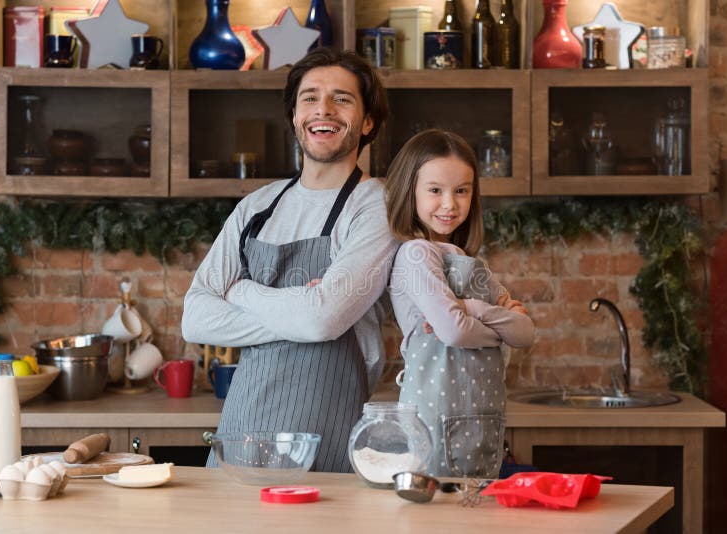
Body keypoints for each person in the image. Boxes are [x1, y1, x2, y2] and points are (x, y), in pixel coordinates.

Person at [181, 48, 394, 473]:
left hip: (325, 432)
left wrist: (242, 291)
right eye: (310, 97)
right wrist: (301, 311)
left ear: (367, 122)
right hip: (240, 429)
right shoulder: (257, 206)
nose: (324, 109)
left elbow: (323, 321)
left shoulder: (377, 205)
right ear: (295, 115)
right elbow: (195, 319)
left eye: (342, 98)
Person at [385, 129, 534, 478]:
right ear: (411, 191)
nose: (450, 204)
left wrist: (471, 309)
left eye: (461, 191)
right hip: (432, 424)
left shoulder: (470, 262)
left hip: (482, 416)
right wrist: (498, 325)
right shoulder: (416, 254)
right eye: (435, 190)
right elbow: (453, 332)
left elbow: (526, 333)